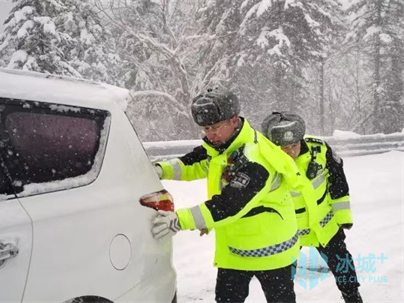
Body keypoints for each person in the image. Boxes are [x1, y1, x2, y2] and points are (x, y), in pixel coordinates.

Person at [151, 88, 312, 303]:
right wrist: (161, 170)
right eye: (206, 129)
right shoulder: (223, 146)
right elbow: (195, 162)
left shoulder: (256, 159)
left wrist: (180, 220)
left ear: (234, 121)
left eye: (215, 127)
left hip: (273, 252)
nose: (210, 134)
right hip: (236, 251)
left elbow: (228, 205)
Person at [261, 112, 363, 303]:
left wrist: (343, 218)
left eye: (294, 145)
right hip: (286, 231)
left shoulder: (320, 148)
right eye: (283, 148)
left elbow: (338, 184)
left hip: (324, 226)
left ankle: (352, 297)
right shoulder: (263, 161)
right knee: (279, 280)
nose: (290, 152)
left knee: (343, 264)